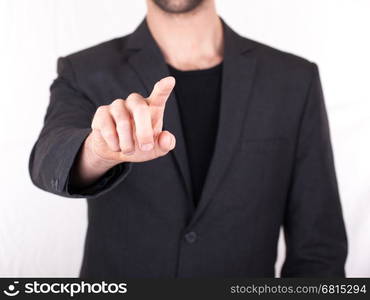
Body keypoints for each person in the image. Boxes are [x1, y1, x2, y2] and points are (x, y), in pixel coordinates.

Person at [29, 0, 347, 278]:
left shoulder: (293, 79)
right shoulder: (85, 70)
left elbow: (319, 249)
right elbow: (48, 159)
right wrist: (99, 151)